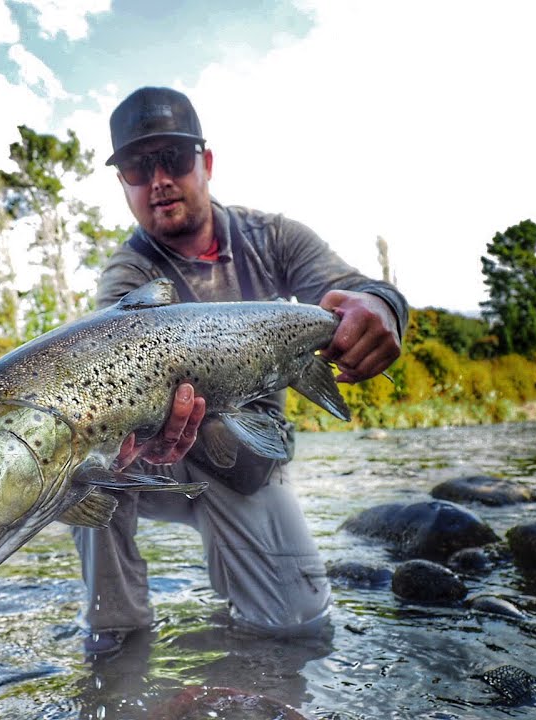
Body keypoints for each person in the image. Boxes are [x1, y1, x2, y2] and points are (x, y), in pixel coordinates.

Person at [72, 86, 408, 657]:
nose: (157, 179)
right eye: (136, 166)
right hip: (160, 463)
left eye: (173, 159)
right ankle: (118, 639)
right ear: (124, 183)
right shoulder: (128, 274)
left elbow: (362, 290)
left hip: (251, 464)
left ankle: (239, 594)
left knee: (299, 632)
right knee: (79, 463)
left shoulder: (273, 237)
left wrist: (380, 310)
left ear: (205, 163)